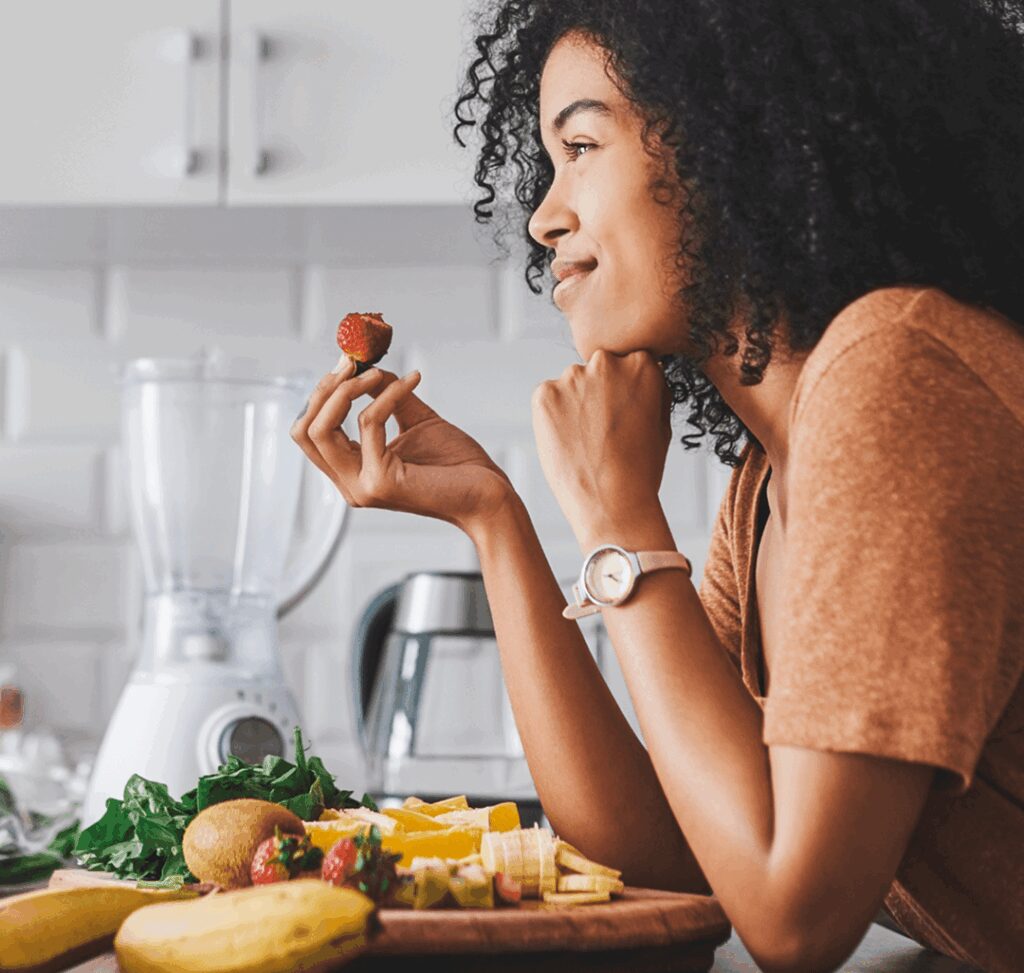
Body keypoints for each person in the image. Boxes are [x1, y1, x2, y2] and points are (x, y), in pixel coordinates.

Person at [292, 2, 1024, 970]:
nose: (546, 216)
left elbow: (794, 924)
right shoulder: (769, 478)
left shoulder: (901, 369)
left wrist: (622, 522)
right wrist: (496, 521)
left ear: (748, 147)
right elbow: (679, 864)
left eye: (582, 145)